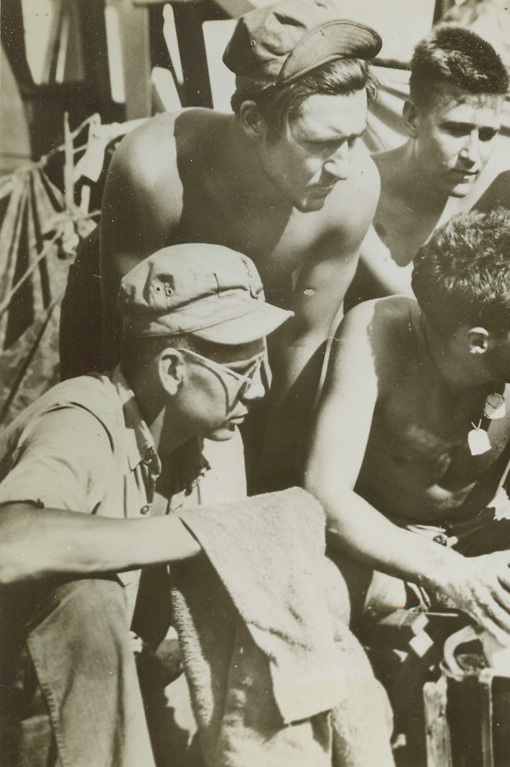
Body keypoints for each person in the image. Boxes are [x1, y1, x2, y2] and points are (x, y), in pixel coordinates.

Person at [0, 244, 285, 767]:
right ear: (170, 368)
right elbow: (11, 542)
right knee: (85, 606)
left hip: (96, 729)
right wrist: (188, 534)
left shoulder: (209, 442)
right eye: (241, 364)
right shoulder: (82, 419)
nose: (263, 383)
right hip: (24, 726)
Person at [61, 0, 382, 492]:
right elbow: (124, 343)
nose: (341, 166)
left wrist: (270, 490)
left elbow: (302, 342)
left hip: (240, 343)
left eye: (355, 138)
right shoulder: (155, 168)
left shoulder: (353, 188)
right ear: (253, 120)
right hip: (122, 322)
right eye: (320, 144)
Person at [304, 209, 510, 666]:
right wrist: (447, 572)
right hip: (389, 550)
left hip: (491, 543)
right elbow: (324, 495)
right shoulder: (378, 332)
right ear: (478, 341)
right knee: (313, 591)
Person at [350, 25, 510, 304]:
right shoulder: (357, 186)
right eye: (456, 129)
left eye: (487, 134)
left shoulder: (497, 180)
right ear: (413, 118)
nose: (473, 155)